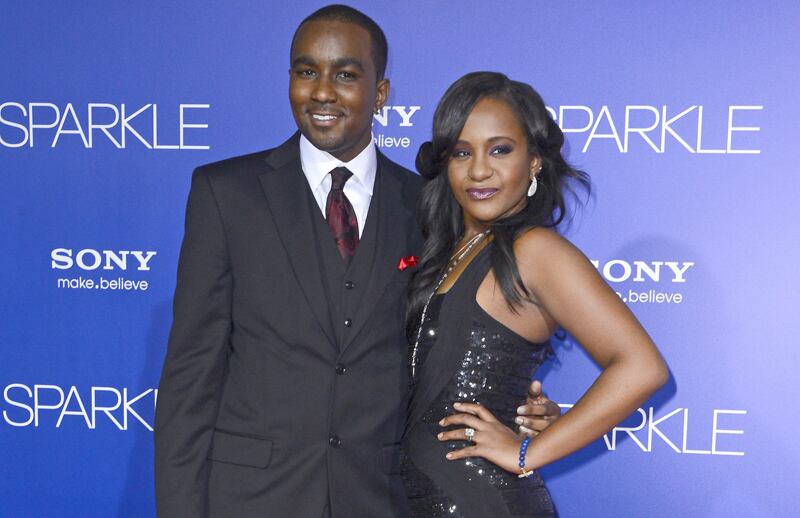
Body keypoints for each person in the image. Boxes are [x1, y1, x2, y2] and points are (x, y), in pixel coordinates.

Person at [154, 6, 558, 518]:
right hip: (252, 499)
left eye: (345, 75)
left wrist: (521, 410)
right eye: (306, 72)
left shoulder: (432, 206)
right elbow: (190, 376)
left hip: (383, 497)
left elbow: (455, 343)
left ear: (380, 93)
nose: (322, 92)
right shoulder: (226, 194)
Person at [401, 72, 669, 517]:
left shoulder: (535, 250)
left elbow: (642, 367)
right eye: (462, 152)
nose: (479, 170)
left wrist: (526, 453)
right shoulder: (450, 250)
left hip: (483, 502)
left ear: (535, 162)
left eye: (500, 150)